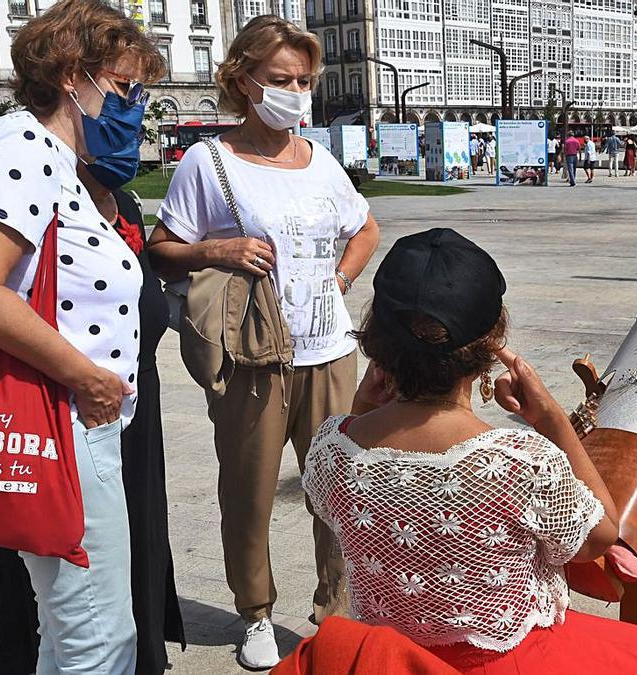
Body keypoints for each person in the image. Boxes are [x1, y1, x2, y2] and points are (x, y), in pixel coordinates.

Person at [301, 227, 637, 674]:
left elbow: (325, 500)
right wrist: (553, 419)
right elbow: (600, 534)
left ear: (377, 342)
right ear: (486, 353)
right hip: (505, 660)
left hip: (389, 657)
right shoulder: (518, 459)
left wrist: (363, 405)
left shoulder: (332, 447)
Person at [0, 0, 168, 670]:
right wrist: (85, 374)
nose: (134, 105)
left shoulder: (53, 157)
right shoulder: (23, 148)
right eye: (124, 87)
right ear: (74, 74)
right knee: (98, 642)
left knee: (75, 635)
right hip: (59, 422)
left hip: (72, 422)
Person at [148, 15, 381, 670]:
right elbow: (161, 251)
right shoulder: (208, 162)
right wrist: (214, 248)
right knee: (247, 491)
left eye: (304, 80)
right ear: (245, 80)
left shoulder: (321, 161)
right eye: (282, 79)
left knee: (338, 491)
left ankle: (334, 610)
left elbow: (366, 228)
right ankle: (254, 612)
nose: (296, 93)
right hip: (254, 356)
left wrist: (338, 278)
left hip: (330, 351)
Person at [0, 185, 186, 675]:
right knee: (88, 626)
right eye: (123, 100)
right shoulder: (21, 173)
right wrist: (84, 379)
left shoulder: (121, 200)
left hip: (126, 403)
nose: (132, 113)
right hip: (60, 411)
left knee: (103, 611)